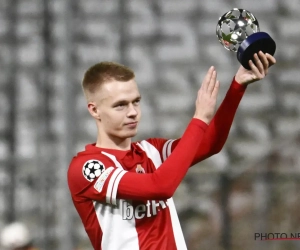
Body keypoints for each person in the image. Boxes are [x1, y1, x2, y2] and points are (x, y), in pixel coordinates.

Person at [67, 51, 276, 250]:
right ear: (94, 110)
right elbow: (160, 187)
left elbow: (210, 144)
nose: (133, 112)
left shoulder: (151, 150)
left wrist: (237, 87)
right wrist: (200, 118)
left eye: (136, 102)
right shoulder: (88, 167)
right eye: (120, 105)